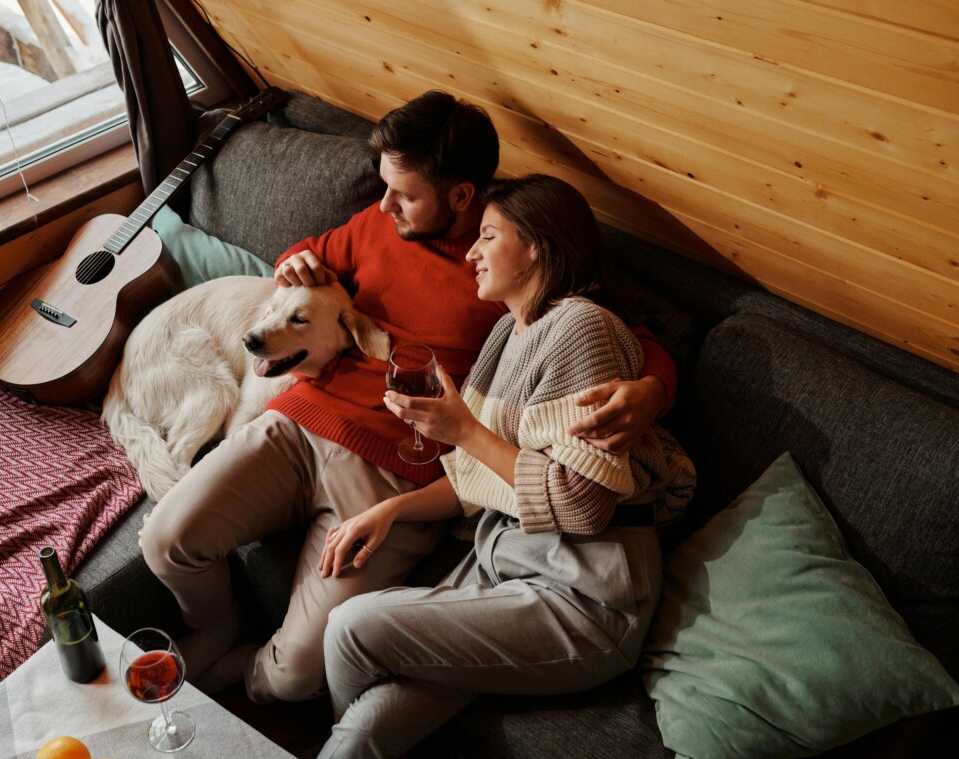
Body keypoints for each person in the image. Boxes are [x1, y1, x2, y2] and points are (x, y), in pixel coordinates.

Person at [136, 92, 674, 705]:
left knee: (294, 679)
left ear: (463, 196)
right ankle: (218, 626)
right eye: (384, 187)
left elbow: (632, 333)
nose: (385, 204)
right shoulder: (377, 221)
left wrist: (651, 391)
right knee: (163, 541)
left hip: (398, 477)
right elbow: (308, 255)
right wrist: (295, 262)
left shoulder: (517, 257)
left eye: (405, 194)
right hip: (299, 424)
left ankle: (246, 674)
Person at [310, 174, 693, 759]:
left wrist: (463, 430)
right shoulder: (504, 335)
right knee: (366, 730)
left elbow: (582, 504)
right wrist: (391, 511)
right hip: (505, 565)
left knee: (354, 625)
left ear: (538, 245)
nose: (470, 252)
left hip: (586, 597)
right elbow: (481, 480)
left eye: (488, 236)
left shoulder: (583, 331)